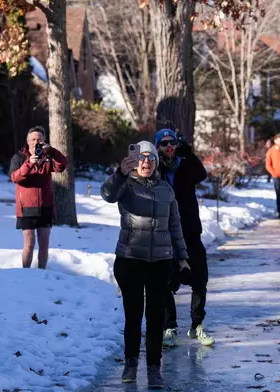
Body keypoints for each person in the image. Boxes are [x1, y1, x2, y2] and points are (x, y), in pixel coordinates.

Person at [101, 140, 190, 389]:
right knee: (133, 315)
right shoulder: (125, 185)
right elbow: (107, 194)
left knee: (155, 317)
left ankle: (154, 368)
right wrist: (119, 172)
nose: (146, 163)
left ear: (156, 162)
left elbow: (175, 226)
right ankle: (131, 363)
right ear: (134, 161)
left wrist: (181, 257)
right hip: (130, 259)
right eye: (142, 158)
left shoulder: (166, 190)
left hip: (160, 262)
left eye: (151, 158)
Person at [155, 129, 216, 348]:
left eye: (172, 143)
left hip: (190, 232)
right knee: (164, 284)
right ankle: (169, 326)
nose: (169, 147)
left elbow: (201, 175)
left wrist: (189, 154)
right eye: (164, 144)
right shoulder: (154, 169)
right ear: (158, 147)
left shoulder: (185, 166)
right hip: (165, 236)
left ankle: (197, 325)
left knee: (200, 280)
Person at [9, 126, 67, 269]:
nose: (36, 142)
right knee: (29, 243)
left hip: (45, 206)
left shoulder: (47, 158)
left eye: (39, 139)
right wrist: (29, 163)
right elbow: (15, 177)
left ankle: (42, 273)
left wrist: (52, 151)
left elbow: (62, 166)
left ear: (44, 141)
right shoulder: (19, 157)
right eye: (33, 139)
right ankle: (25, 272)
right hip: (26, 208)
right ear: (28, 141)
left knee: (44, 244)